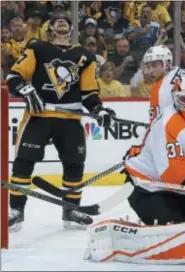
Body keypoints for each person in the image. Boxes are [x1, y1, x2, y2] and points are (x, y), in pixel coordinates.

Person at [85, 72, 185, 264]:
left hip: (180, 190)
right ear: (174, 98)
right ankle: (120, 239)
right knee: (183, 235)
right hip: (149, 189)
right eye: (182, 98)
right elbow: (173, 175)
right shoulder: (169, 123)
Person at [6, 13, 116, 231]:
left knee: (75, 164)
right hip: (39, 115)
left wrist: (98, 109)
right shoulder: (38, 48)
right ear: (50, 28)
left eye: (65, 20)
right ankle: (16, 211)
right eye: (56, 20)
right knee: (24, 161)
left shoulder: (85, 56)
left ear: (72, 28)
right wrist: (25, 88)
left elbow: (89, 93)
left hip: (70, 118)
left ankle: (71, 210)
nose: (62, 21)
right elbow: (14, 76)